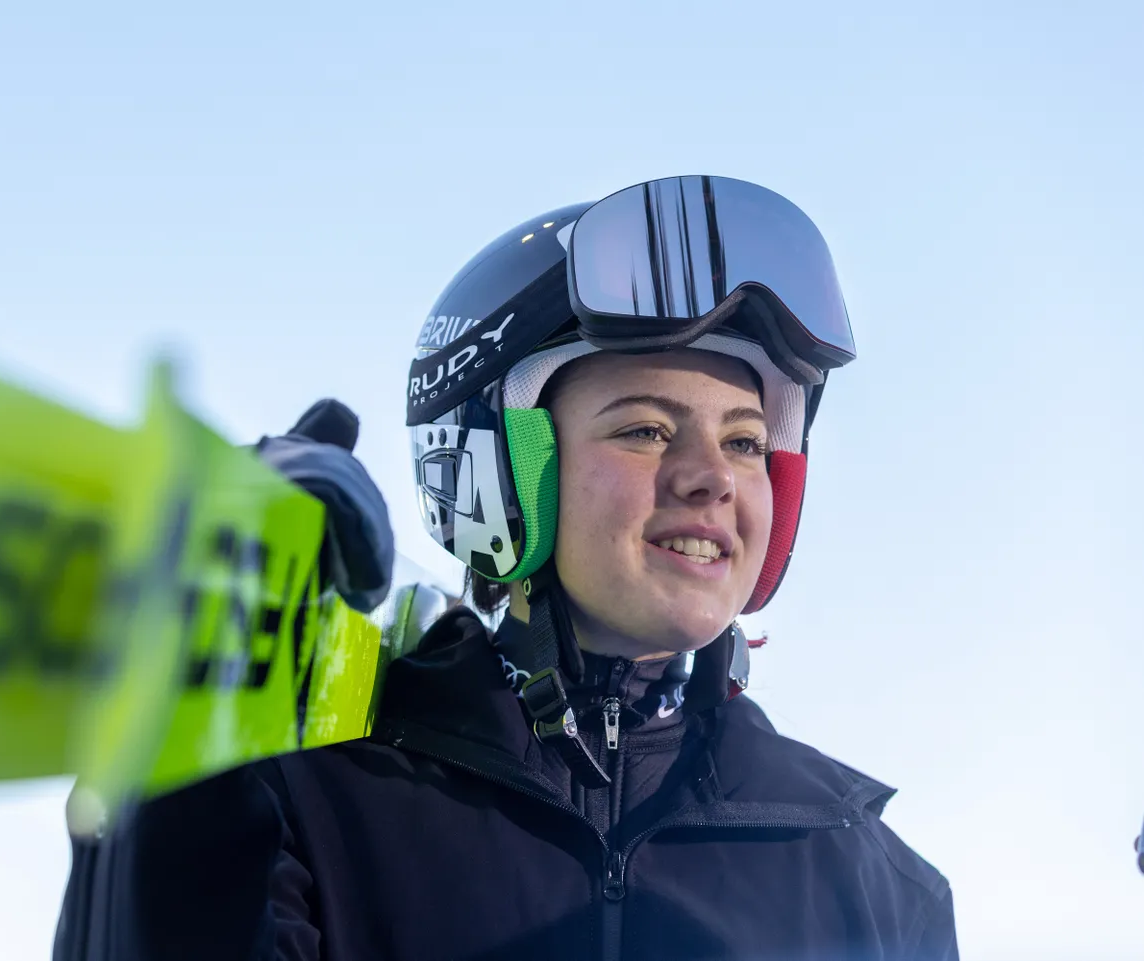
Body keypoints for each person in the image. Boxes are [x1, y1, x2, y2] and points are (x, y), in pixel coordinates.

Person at [53, 177, 959, 960]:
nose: (712, 477)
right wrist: (179, 740)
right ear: (496, 471)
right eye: (644, 429)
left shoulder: (870, 879)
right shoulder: (327, 797)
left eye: (749, 441)